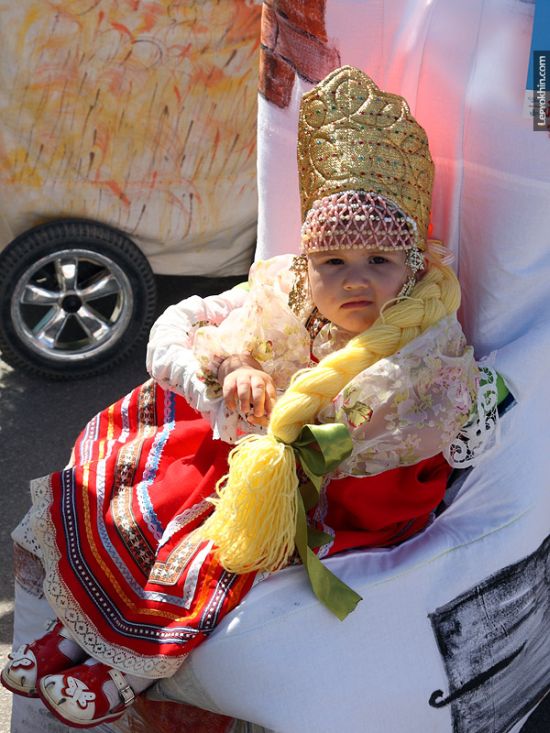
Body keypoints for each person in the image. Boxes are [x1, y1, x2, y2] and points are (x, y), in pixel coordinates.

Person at [1, 66, 490, 729]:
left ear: (410, 270)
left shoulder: (423, 334)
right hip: (259, 458)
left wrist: (307, 434)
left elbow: (421, 420)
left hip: (340, 491)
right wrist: (234, 366)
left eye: (380, 261)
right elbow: (229, 332)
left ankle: (127, 666)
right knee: (147, 506)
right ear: (307, 265)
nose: (356, 282)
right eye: (334, 264)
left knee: (217, 554)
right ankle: (74, 638)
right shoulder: (284, 295)